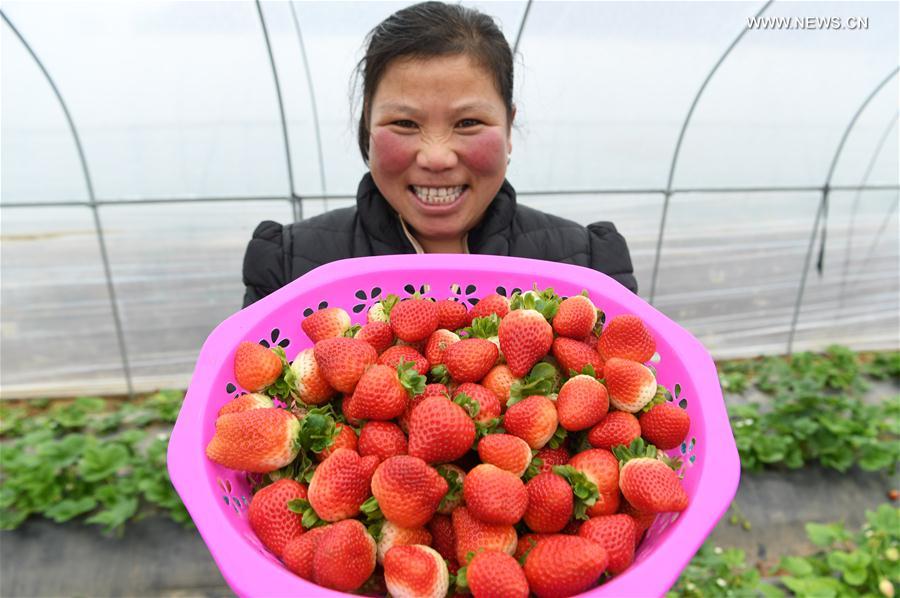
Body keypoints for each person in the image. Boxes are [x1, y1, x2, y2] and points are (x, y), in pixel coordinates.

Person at [242, 1, 637, 308]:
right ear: (367, 125)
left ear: (509, 127)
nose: (436, 157)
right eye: (405, 123)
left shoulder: (587, 265)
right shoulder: (289, 265)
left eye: (467, 123)